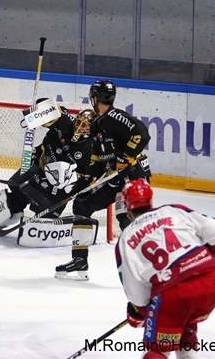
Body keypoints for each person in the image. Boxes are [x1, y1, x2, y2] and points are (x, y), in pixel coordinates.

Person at [117, 179, 215, 359]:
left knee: (156, 349)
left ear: (127, 207)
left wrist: (140, 310)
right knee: (185, 324)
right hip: (211, 284)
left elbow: (135, 289)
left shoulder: (126, 238)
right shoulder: (174, 210)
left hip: (173, 295)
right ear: (151, 200)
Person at [55, 80, 152, 281]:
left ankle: (148, 264)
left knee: (125, 217)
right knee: (81, 205)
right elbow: (98, 164)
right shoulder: (97, 125)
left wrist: (125, 157)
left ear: (95, 98)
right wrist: (78, 186)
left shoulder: (113, 116)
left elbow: (142, 133)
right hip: (115, 180)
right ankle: (79, 260)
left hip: (132, 179)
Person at [0, 108, 98, 247]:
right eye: (78, 122)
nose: (78, 127)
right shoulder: (64, 123)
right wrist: (36, 114)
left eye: (84, 125)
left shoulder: (92, 148)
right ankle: (3, 214)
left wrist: (72, 181)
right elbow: (47, 106)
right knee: (17, 193)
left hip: (59, 187)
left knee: (46, 218)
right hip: (38, 169)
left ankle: (43, 226)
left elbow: (89, 174)